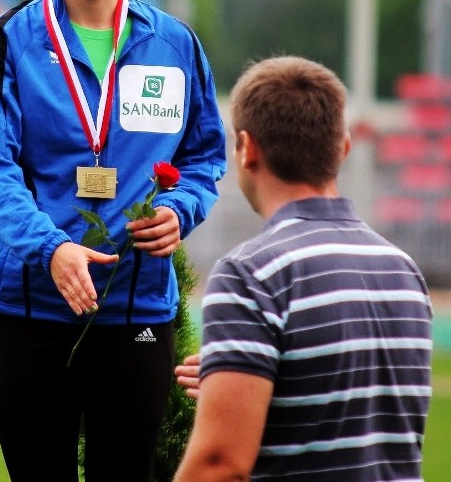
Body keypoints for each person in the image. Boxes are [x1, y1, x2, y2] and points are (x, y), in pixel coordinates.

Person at [0, 0, 226, 482]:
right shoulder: (6, 43)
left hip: (136, 310)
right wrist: (51, 248)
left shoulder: (174, 44)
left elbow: (204, 157)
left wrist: (177, 210)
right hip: (31, 309)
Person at [174, 56, 432, 482]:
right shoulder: (403, 270)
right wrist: (242, 380)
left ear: (246, 147)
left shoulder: (249, 274)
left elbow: (219, 465)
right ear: (343, 147)